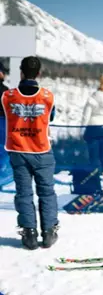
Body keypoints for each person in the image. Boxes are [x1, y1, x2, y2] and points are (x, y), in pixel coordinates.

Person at [1, 56, 58, 250]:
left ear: (21, 72)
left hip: (18, 150)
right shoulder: (48, 97)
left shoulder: (7, 97)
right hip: (42, 149)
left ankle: (29, 234)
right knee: (47, 192)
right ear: (39, 73)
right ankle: (49, 231)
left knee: (24, 193)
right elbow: (51, 116)